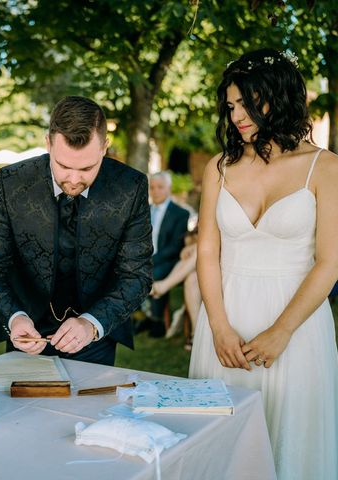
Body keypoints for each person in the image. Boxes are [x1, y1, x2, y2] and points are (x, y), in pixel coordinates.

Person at [189, 48, 338, 479]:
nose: (237, 115)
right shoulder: (220, 166)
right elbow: (206, 252)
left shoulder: (324, 168)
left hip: (296, 328)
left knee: (290, 445)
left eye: (247, 103)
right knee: (221, 446)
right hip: (225, 322)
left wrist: (281, 331)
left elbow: (329, 263)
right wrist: (217, 327)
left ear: (280, 97)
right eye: (231, 105)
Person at [0, 96, 153, 366]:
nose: (73, 179)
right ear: (48, 143)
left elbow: (137, 276)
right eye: (63, 166)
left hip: (94, 337)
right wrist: (14, 317)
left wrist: (91, 324)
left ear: (104, 147)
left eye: (86, 168)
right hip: (25, 333)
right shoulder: (13, 182)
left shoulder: (131, 187)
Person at [137, 172, 189, 338]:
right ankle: (141, 315)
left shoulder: (180, 214)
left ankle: (156, 319)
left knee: (153, 275)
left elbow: (175, 247)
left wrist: (150, 261)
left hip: (168, 260)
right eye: (152, 188)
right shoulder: (143, 211)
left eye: (160, 187)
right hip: (143, 259)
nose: (155, 191)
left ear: (169, 189)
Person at [150, 227, 200, 348]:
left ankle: (163, 286)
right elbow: (184, 255)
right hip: (199, 271)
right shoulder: (194, 233)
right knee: (192, 278)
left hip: (223, 267)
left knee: (201, 248)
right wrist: (189, 248)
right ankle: (196, 332)